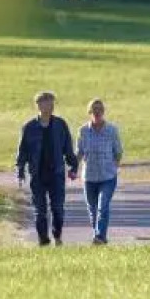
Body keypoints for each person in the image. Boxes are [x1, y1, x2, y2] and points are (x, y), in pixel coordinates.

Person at [15, 91, 77, 246]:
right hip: (37, 174)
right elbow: (22, 151)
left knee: (57, 208)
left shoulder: (60, 125)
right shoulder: (29, 127)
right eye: (46, 102)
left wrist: (73, 165)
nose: (50, 106)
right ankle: (43, 239)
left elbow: (67, 148)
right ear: (38, 105)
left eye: (51, 102)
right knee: (40, 209)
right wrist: (20, 170)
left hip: (56, 173)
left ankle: (57, 235)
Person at [76, 98, 124, 245]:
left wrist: (113, 166)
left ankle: (100, 237)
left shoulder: (111, 130)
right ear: (90, 112)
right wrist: (73, 168)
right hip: (89, 176)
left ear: (103, 112)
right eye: (94, 110)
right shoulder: (83, 131)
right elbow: (79, 152)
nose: (97, 113)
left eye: (100, 110)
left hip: (107, 176)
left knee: (103, 206)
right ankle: (97, 234)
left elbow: (118, 152)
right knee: (92, 209)